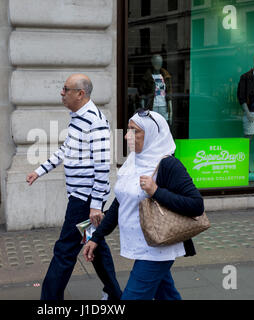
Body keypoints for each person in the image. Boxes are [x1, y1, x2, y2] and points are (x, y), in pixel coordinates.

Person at [83, 109, 204, 300]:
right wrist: (96, 237)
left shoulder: (168, 165)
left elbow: (196, 205)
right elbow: (119, 204)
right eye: (128, 129)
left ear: (152, 135)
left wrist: (156, 191)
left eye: (134, 131)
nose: (126, 135)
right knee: (167, 295)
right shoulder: (132, 161)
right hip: (142, 245)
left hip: (158, 248)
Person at [26, 74, 122, 300]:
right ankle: (116, 294)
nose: (61, 92)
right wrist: (40, 171)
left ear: (80, 94)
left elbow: (102, 166)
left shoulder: (95, 121)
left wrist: (95, 206)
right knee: (96, 247)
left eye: (65, 89)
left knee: (65, 250)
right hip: (82, 198)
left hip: (84, 200)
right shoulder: (78, 117)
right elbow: (65, 150)